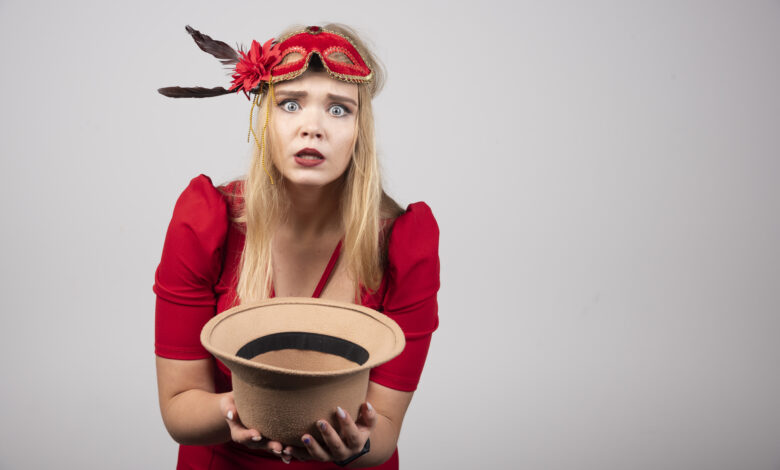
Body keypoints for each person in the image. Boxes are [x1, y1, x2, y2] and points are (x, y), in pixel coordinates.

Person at [153, 24, 440, 469]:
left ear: (361, 130)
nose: (313, 128)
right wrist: (243, 414)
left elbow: (382, 429)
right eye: (291, 104)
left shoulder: (405, 245)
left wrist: (358, 445)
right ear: (264, 119)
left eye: (339, 110)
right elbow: (178, 407)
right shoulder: (205, 223)